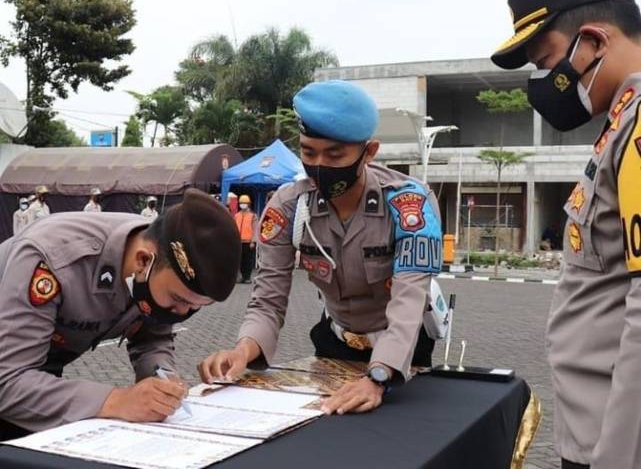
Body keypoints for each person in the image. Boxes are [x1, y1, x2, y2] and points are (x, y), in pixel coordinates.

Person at [198, 80, 442, 415]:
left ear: (369, 152)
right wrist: (243, 350)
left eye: (335, 154)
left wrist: (379, 374)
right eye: (308, 152)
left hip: (402, 352)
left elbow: (409, 299)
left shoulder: (409, 203)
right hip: (334, 342)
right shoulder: (287, 207)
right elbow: (268, 299)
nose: (319, 165)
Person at [493, 0, 641, 467]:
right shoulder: (621, 120)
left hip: (613, 445)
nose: (544, 83)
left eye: (548, 62)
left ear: (594, 41)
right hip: (594, 433)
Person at [0, 188, 241, 440]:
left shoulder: (157, 262)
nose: (181, 313)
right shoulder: (53, 257)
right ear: (142, 261)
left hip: (38, 376)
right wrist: (116, 401)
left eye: (194, 307)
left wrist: (162, 379)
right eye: (178, 300)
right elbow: (8, 382)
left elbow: (152, 336)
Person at [234, 195, 258, 283]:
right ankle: (240, 277)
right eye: (241, 203)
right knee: (238, 261)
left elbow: (255, 229)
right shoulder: (236, 215)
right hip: (238, 242)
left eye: (244, 203)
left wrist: (253, 241)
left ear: (248, 204)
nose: (242, 205)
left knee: (248, 261)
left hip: (248, 242)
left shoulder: (253, 216)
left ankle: (247, 277)